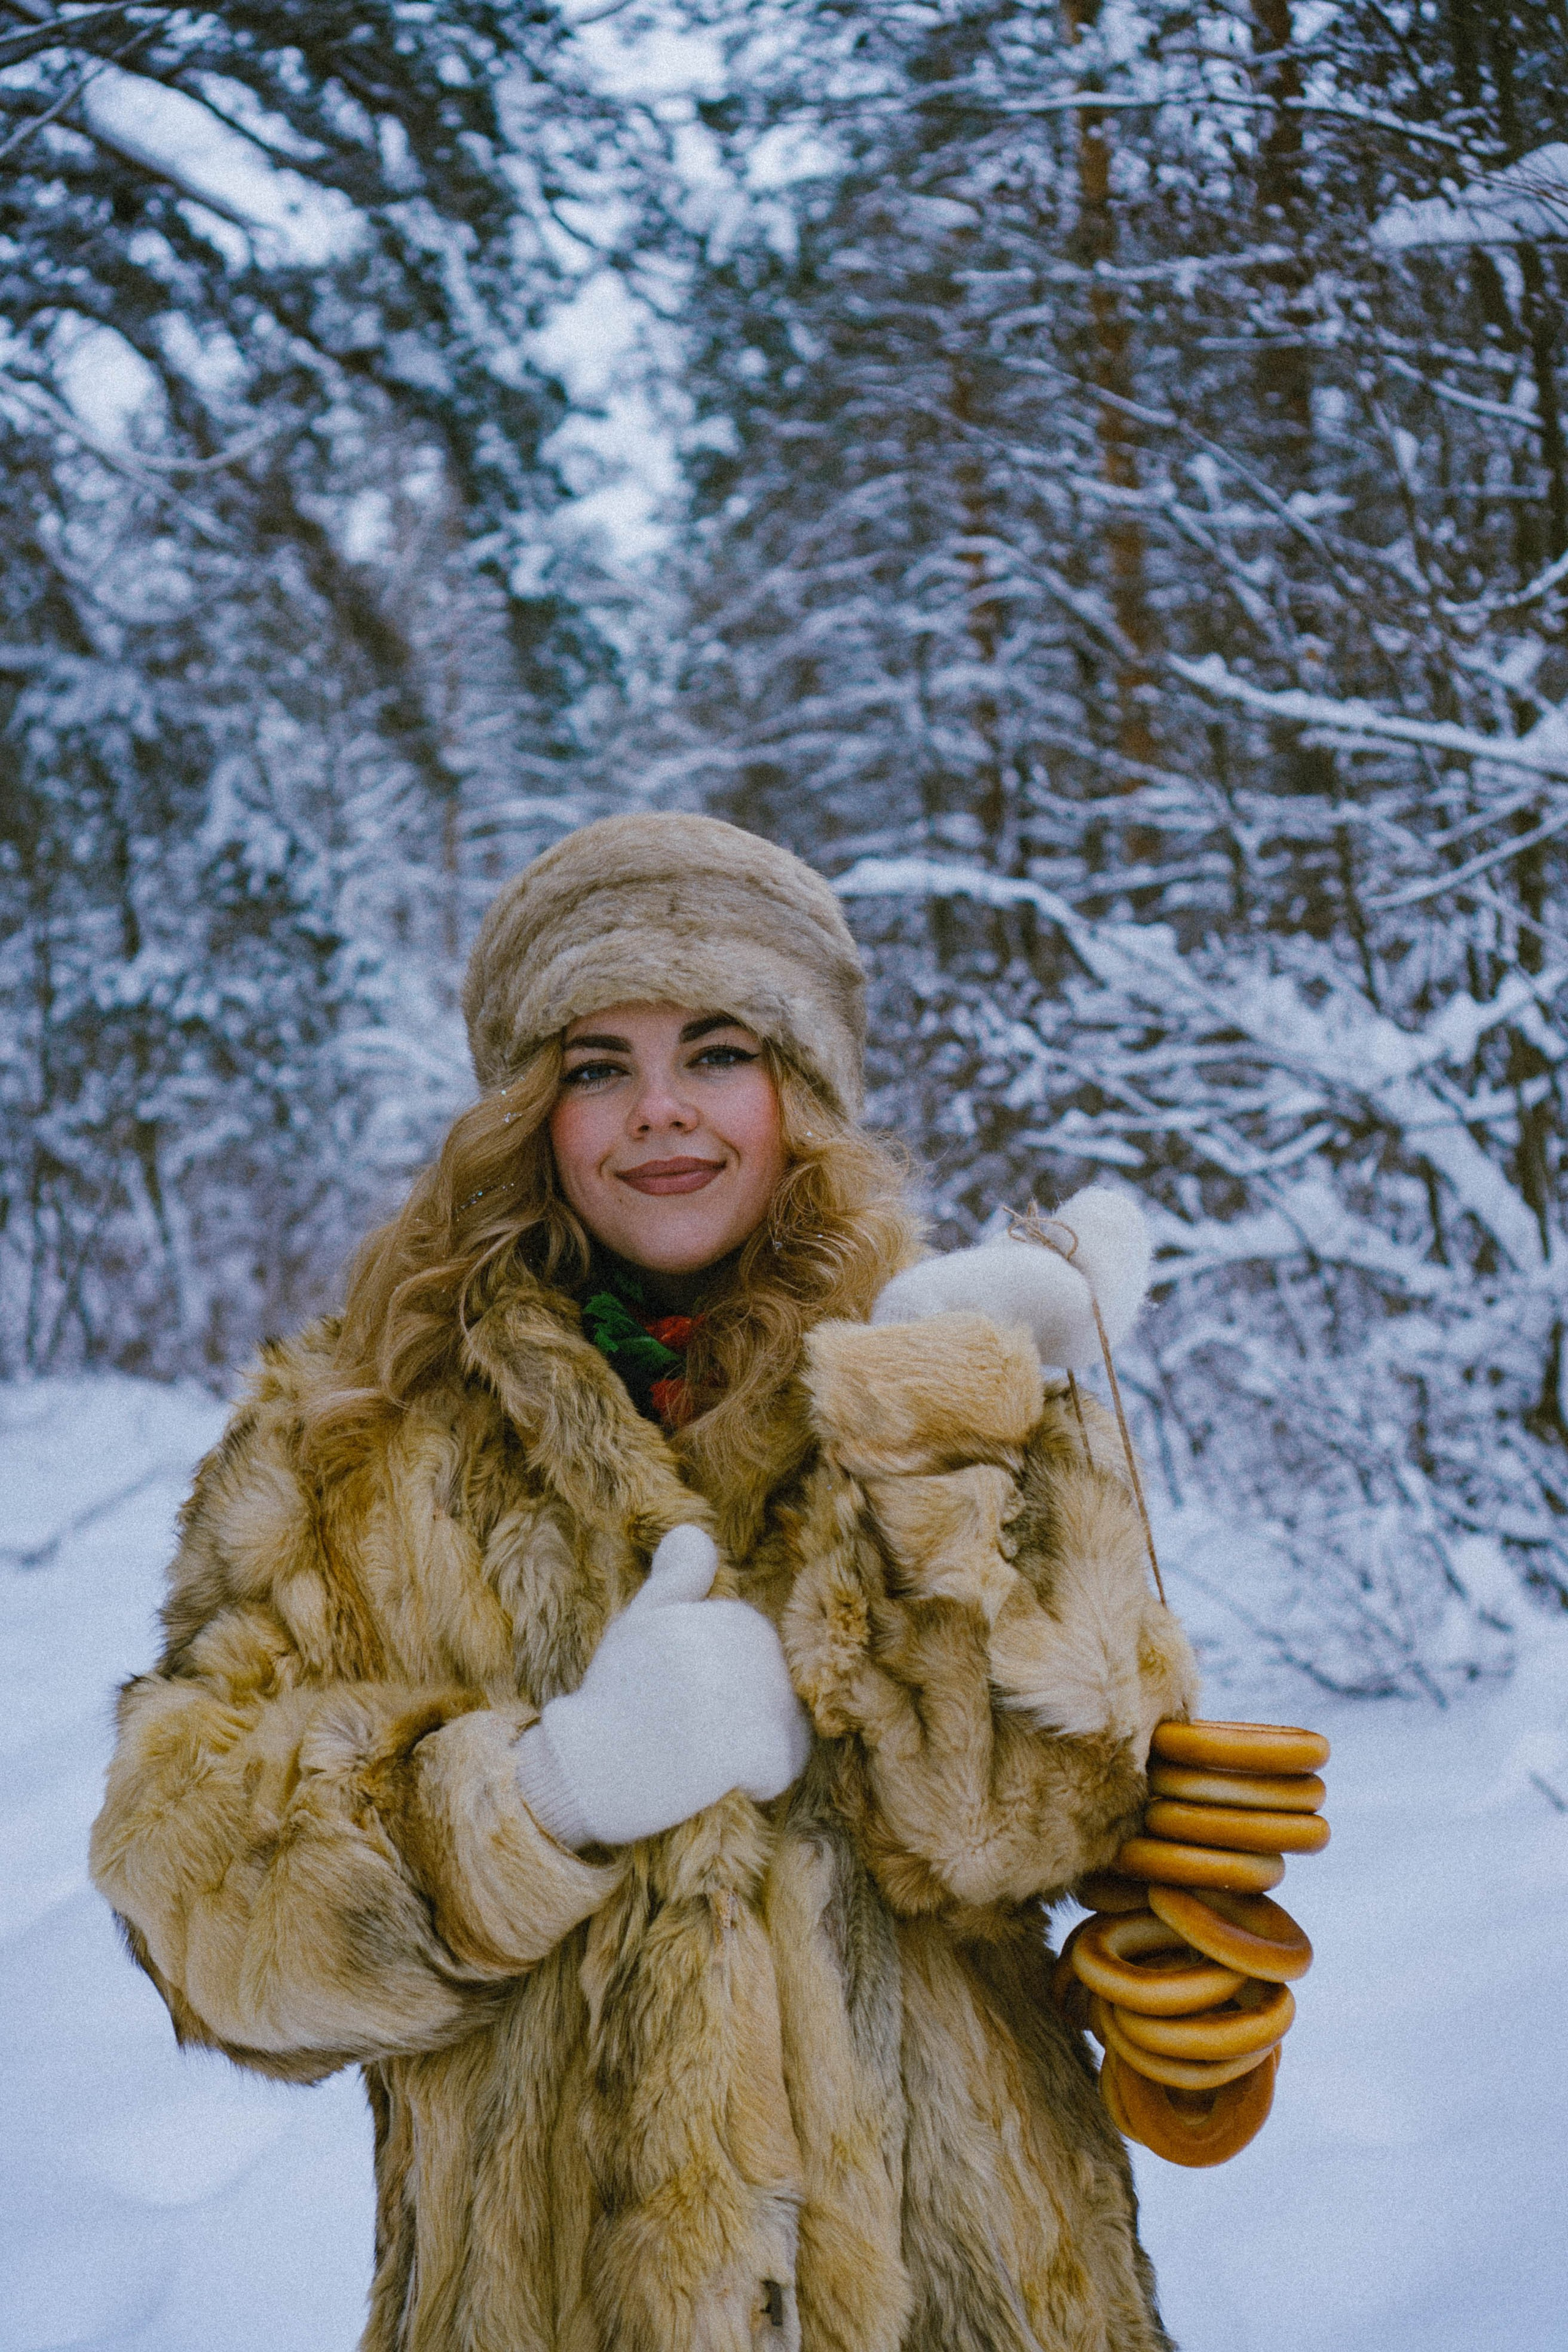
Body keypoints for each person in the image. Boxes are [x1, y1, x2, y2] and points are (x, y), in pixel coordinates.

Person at [90, 813, 1199, 2352]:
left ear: (799, 1088)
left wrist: (942, 1432)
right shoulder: (353, 1434)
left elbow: (1038, 1817)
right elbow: (192, 1905)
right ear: (530, 1111)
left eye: (717, 1052)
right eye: (597, 1065)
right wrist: (540, 1797)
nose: (659, 1111)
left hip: (975, 2300)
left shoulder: (938, 1374)